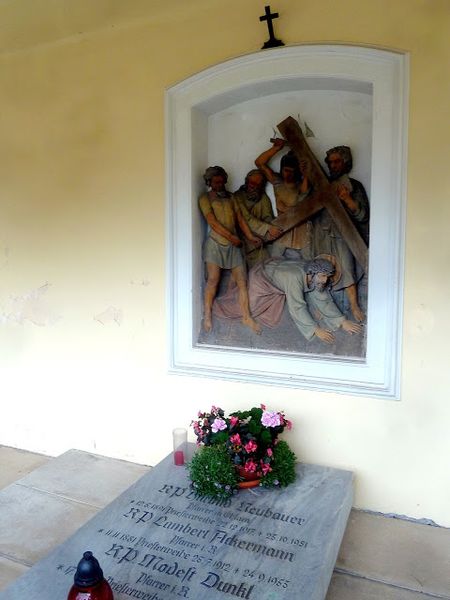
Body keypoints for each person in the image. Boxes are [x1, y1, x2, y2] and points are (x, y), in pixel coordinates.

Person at [214, 256, 362, 344]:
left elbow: (323, 298)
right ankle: (215, 305)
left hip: (277, 273)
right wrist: (315, 330)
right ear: (313, 273)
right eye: (323, 276)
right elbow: (297, 307)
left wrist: (342, 321)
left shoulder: (312, 275)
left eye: (327, 277)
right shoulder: (294, 278)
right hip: (261, 279)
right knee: (241, 308)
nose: (325, 280)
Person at [198, 166, 262, 334]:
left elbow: (240, 219)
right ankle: (207, 316)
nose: (219, 184)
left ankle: (246, 317)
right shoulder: (205, 198)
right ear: (209, 182)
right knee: (213, 280)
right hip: (215, 245)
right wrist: (231, 237)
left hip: (234, 246)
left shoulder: (232, 197)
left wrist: (250, 236)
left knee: (242, 281)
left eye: (221, 181)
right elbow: (212, 222)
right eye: (215, 182)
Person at [313, 145, 370, 322]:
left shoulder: (354, 186)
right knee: (321, 267)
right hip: (322, 233)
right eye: (330, 162)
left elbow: (363, 215)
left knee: (346, 267)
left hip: (343, 233)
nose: (333, 165)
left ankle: (354, 306)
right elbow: (310, 207)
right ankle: (320, 305)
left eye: (337, 161)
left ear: (346, 162)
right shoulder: (322, 186)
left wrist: (347, 199)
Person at [255, 139, 313, 261]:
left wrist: (305, 175)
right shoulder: (277, 181)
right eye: (286, 170)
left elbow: (303, 200)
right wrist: (276, 148)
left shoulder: (301, 184)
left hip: (301, 229)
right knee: (274, 262)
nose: (288, 174)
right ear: (282, 169)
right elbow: (259, 163)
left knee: (309, 262)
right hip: (282, 227)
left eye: (292, 171)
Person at [233, 169, 282, 267]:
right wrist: (267, 228)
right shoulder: (237, 197)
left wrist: (270, 231)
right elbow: (246, 219)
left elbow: (268, 218)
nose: (254, 186)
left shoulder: (263, 197)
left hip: (259, 237)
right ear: (247, 182)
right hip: (242, 236)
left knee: (268, 263)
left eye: (258, 184)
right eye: (252, 182)